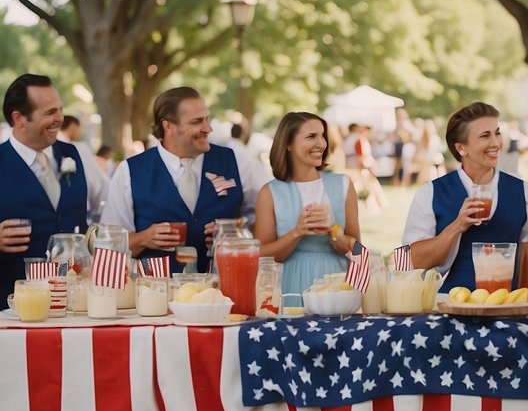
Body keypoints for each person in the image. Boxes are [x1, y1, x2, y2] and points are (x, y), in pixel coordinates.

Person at [0, 74, 103, 317]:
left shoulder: (79, 155)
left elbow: (104, 212)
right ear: (18, 118)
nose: (59, 119)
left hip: (80, 305)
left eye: (60, 110)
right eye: (50, 112)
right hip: (15, 310)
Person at [101, 86, 259, 273]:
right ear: (168, 126)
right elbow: (109, 244)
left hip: (223, 292)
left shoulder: (237, 161)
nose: (208, 128)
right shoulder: (130, 170)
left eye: (207, 119)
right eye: (197, 122)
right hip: (155, 293)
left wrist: (234, 231)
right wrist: (143, 238)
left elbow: (260, 223)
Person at [401, 102, 528, 291]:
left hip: (507, 308)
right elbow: (409, 263)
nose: (496, 143)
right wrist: (457, 227)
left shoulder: (525, 192)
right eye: (485, 136)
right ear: (461, 148)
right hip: (447, 307)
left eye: (497, 133)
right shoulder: (430, 193)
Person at [254, 112, 362, 294]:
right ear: (288, 144)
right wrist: (297, 232)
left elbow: (358, 250)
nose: (321, 144)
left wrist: (335, 235)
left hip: (336, 286)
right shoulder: (270, 192)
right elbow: (262, 255)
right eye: (311, 136)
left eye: (322, 136)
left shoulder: (343, 184)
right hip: (288, 286)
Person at [59, 113, 109, 222]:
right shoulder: (79, 148)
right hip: (78, 212)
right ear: (72, 126)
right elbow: (96, 181)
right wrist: (97, 209)